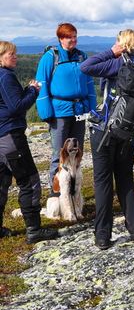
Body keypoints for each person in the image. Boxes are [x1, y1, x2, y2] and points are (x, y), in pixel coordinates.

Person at [80, 29, 134, 249]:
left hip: (105, 130)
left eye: (117, 41)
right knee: (125, 178)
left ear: (122, 43)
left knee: (103, 181)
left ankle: (102, 235)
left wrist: (111, 52)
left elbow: (86, 67)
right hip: (128, 133)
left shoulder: (117, 64)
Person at [0, 41, 58, 243]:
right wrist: (34, 91)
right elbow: (17, 107)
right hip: (10, 136)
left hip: (1, 137)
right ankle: (33, 230)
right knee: (29, 181)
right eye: (10, 54)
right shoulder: (5, 76)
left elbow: (8, 103)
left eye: (15, 53)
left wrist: (27, 89)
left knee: (2, 183)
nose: (15, 57)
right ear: (1, 57)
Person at [35, 23, 97, 193]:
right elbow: (42, 83)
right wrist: (46, 112)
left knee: (76, 153)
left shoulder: (82, 56)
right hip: (59, 112)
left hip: (79, 110)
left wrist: (92, 109)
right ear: (60, 38)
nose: (73, 40)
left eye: (75, 36)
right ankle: (55, 193)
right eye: (69, 37)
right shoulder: (50, 57)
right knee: (60, 154)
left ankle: (73, 192)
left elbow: (89, 83)